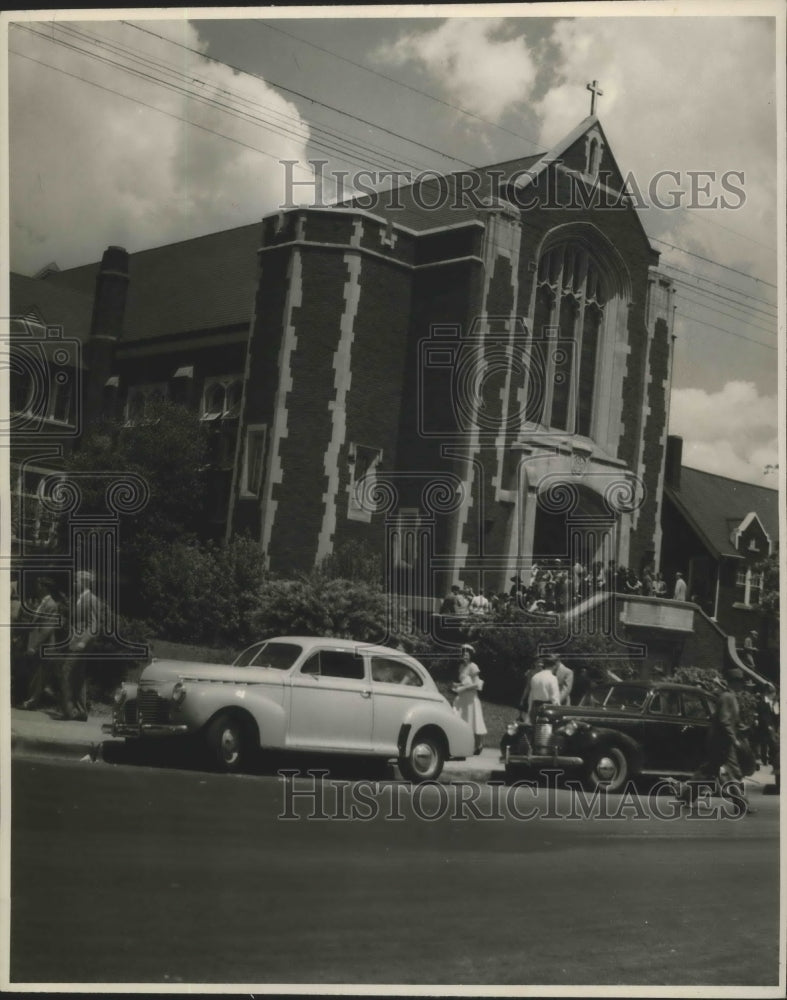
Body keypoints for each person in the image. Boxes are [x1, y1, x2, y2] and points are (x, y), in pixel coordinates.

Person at [675, 671, 756, 815]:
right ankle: (741, 805)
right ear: (734, 682)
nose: (742, 685)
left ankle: (685, 795)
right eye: (741, 682)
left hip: (721, 740)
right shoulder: (727, 697)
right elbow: (724, 720)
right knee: (732, 772)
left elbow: (731, 720)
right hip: (721, 742)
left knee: (708, 770)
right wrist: (734, 739)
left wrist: (742, 727)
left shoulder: (731, 697)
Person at [61, 570, 101, 721]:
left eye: (76, 581)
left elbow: (94, 625)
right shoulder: (77, 599)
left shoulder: (92, 599)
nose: (74, 583)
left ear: (84, 583)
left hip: (81, 643)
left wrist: (83, 641)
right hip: (74, 642)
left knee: (66, 671)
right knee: (78, 676)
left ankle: (69, 711)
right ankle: (81, 712)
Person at [22, 578, 65, 710]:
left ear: (44, 588)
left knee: (39, 675)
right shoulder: (42, 603)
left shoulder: (51, 605)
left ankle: (32, 702)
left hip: (43, 645)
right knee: (34, 673)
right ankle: (30, 700)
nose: (37, 588)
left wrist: (34, 646)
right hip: (35, 643)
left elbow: (47, 629)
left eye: (39, 586)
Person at [451, 644, 486, 754]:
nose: (464, 657)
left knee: (474, 720)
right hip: (462, 698)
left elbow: (476, 684)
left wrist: (464, 688)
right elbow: (463, 681)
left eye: (466, 655)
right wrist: (457, 684)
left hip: (471, 698)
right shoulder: (461, 667)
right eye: (463, 655)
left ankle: (479, 745)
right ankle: (463, 744)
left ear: (470, 656)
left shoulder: (473, 667)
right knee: (461, 719)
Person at [526, 655, 560, 724]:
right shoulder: (552, 678)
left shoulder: (535, 677)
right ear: (555, 665)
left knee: (534, 732)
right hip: (547, 710)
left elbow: (531, 696)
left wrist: (529, 710)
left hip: (534, 708)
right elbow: (555, 699)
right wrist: (559, 712)